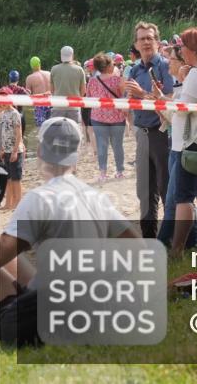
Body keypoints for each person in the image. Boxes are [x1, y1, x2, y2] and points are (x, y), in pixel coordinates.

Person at [0, 117, 139, 348]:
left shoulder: (39, 197)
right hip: (94, 305)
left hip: (53, 317)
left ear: (41, 151)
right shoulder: (96, 197)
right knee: (16, 252)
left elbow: (1, 253)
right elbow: (136, 246)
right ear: (77, 152)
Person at [149, 28, 197, 258]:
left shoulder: (196, 74)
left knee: (184, 198)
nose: (180, 51)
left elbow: (182, 112)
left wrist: (162, 104)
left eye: (182, 47)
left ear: (191, 49)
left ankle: (177, 249)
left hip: (189, 142)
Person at [123, 22, 175, 238]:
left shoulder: (164, 66)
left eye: (149, 38)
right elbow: (132, 101)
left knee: (166, 189)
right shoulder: (134, 69)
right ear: (135, 43)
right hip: (141, 133)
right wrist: (130, 100)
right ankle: (150, 240)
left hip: (162, 133)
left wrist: (142, 93)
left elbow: (170, 101)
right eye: (141, 38)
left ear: (156, 41)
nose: (145, 42)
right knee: (144, 192)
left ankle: (173, 240)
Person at [86, 54, 127, 182]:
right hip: (117, 117)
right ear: (108, 66)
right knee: (118, 145)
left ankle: (103, 173)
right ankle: (119, 171)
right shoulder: (118, 79)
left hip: (98, 117)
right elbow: (123, 96)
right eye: (112, 64)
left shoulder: (92, 81)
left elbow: (89, 97)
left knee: (101, 145)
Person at [0, 90, 24, 210]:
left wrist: (15, 151)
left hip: (15, 151)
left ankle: (18, 203)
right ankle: (8, 202)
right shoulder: (2, 113)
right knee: (8, 178)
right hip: (6, 150)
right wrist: (2, 148)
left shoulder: (15, 113)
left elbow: (18, 133)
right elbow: (2, 132)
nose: (1, 103)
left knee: (16, 179)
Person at [49, 46, 85, 124]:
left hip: (58, 106)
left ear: (61, 55)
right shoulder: (79, 70)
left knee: (57, 132)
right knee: (74, 132)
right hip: (74, 106)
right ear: (72, 55)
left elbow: (52, 90)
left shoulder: (54, 69)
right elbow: (83, 90)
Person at [24, 57, 51, 132]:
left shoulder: (30, 78)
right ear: (40, 64)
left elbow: (28, 95)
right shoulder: (49, 74)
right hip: (52, 102)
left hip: (40, 105)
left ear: (31, 66)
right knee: (52, 127)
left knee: (41, 129)